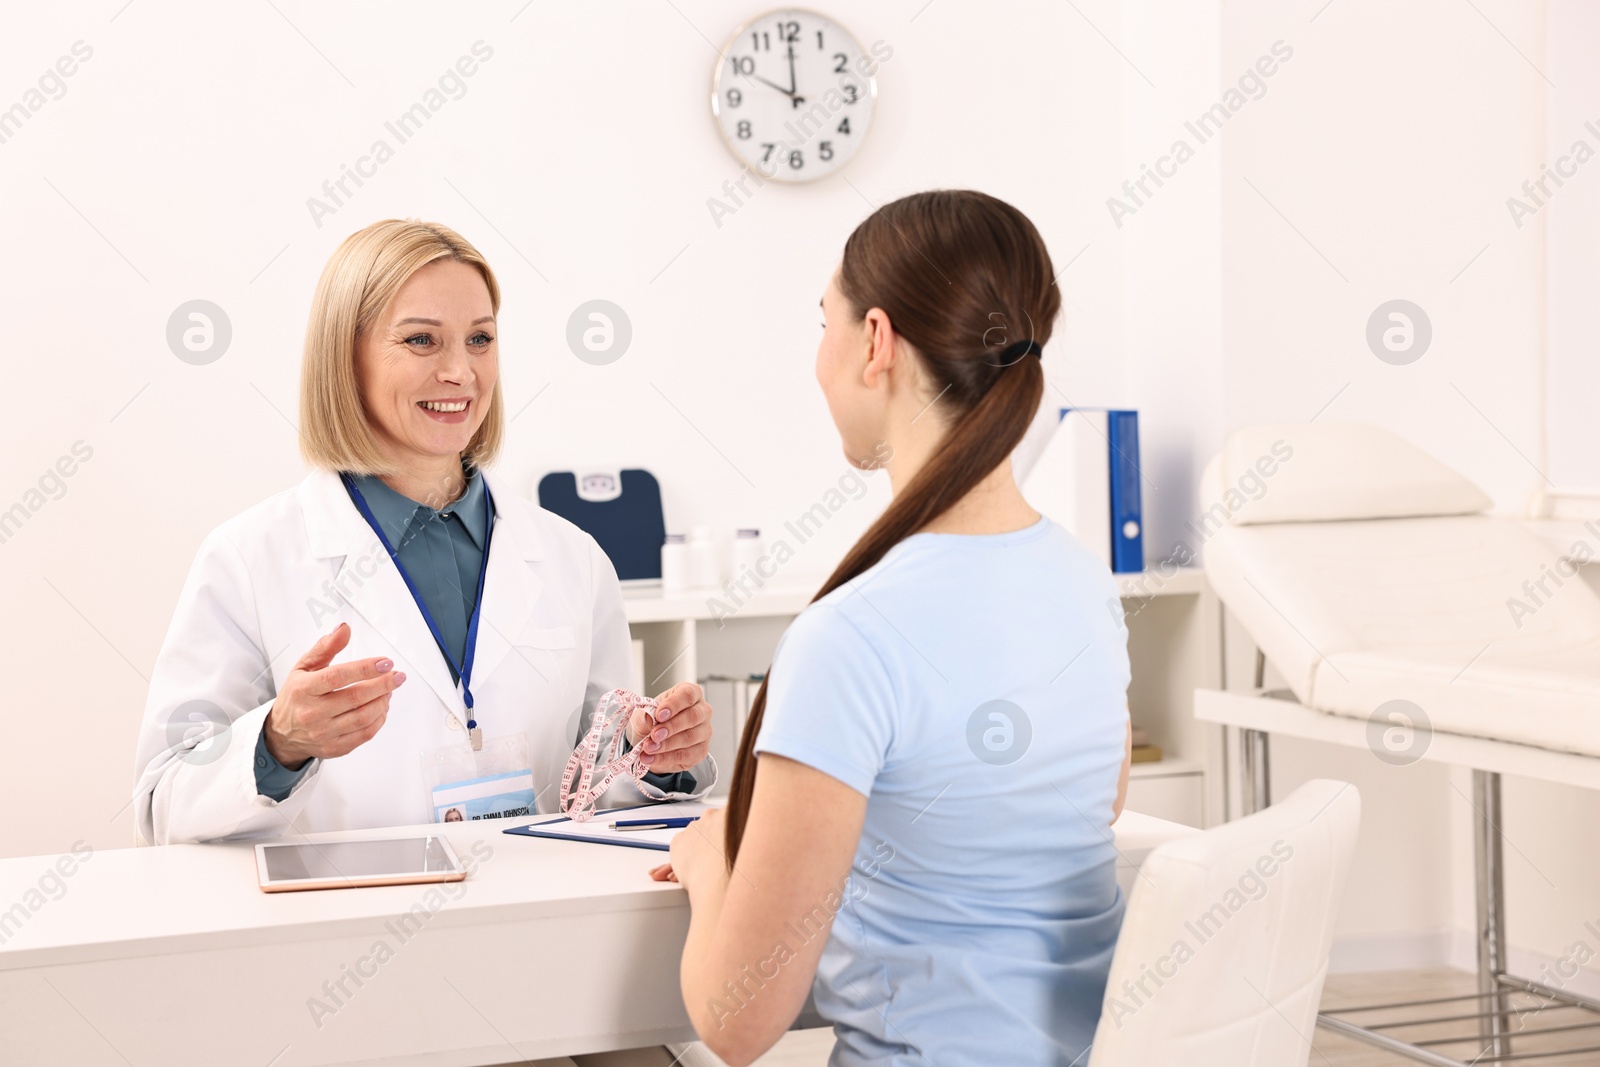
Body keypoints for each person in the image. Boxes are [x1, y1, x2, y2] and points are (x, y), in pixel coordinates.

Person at [653, 190, 1134, 1067]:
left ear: (876, 341)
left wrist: (710, 861)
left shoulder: (853, 635)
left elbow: (736, 1018)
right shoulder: (1083, 582)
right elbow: (1086, 805)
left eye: (823, 322)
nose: (818, 359)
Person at [133, 219, 715, 846]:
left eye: (480, 339)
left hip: (535, 922)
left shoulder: (572, 558)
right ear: (345, 357)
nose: (461, 372)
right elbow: (164, 805)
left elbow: (589, 791)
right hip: (334, 928)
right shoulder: (248, 559)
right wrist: (280, 741)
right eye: (421, 341)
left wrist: (650, 753)